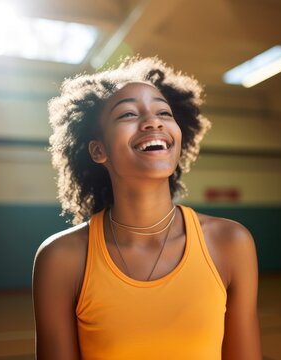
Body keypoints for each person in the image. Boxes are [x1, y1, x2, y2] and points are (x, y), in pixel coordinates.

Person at [32, 56, 262, 359]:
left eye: (163, 112)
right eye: (128, 113)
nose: (153, 121)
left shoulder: (230, 243)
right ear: (98, 150)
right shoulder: (61, 259)